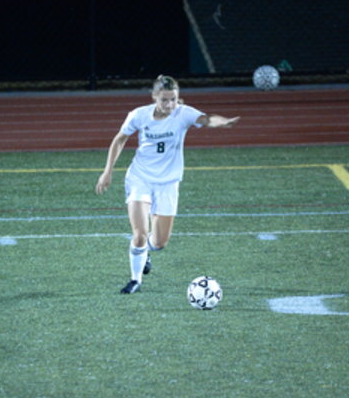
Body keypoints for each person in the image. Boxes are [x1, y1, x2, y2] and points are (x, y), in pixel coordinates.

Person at [95, 74, 240, 293]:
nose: (170, 104)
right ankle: (135, 280)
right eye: (164, 99)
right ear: (154, 97)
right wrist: (107, 171)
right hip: (140, 178)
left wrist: (224, 122)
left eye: (173, 99)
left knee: (159, 242)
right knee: (139, 234)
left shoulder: (184, 114)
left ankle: (145, 252)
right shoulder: (139, 115)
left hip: (168, 183)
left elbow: (207, 120)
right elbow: (119, 139)